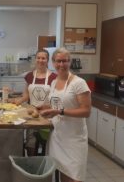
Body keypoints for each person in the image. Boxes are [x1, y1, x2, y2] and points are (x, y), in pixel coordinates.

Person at [39, 47, 91, 182]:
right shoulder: (54, 82)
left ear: (70, 62)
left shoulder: (79, 83)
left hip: (74, 139)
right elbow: (56, 105)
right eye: (58, 61)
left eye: (65, 61)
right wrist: (44, 108)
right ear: (53, 62)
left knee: (75, 176)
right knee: (62, 175)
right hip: (58, 137)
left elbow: (86, 111)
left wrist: (59, 111)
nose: (61, 65)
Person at [8, 49, 56, 156]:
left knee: (47, 143)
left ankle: (45, 163)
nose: (40, 60)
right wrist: (14, 102)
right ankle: (31, 163)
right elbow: (26, 95)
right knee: (31, 141)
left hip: (48, 116)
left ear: (47, 60)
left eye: (43, 58)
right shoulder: (30, 76)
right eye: (38, 58)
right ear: (35, 59)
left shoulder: (54, 78)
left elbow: (56, 99)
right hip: (32, 115)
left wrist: (48, 109)